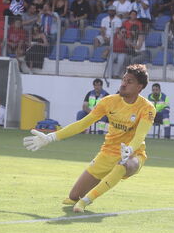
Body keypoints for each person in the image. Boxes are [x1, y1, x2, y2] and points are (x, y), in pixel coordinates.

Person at [24, 64, 154, 213]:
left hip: (133, 154)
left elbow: (140, 135)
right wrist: (51, 137)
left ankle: (85, 201)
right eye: (124, 79)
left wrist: (130, 148)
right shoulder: (109, 101)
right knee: (73, 196)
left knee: (124, 165)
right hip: (107, 153)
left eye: (129, 81)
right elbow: (82, 124)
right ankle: (79, 199)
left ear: (140, 87)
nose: (124, 84)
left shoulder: (147, 108)